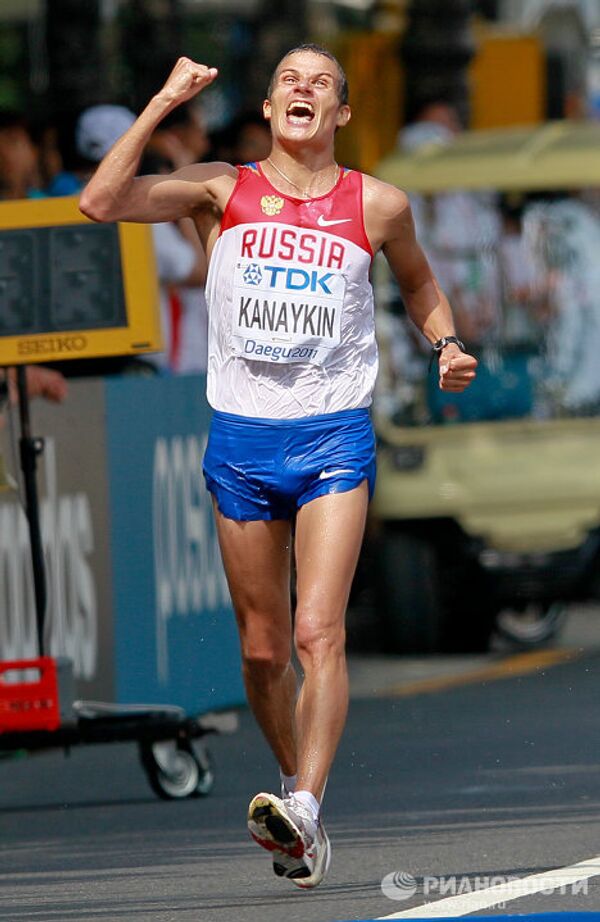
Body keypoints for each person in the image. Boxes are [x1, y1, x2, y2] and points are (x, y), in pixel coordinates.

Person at [80, 44, 477, 888]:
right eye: (289, 80)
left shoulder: (378, 203)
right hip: (243, 441)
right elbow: (98, 200)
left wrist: (445, 344)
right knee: (263, 653)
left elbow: (418, 287)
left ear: (338, 114)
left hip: (333, 433)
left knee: (315, 631)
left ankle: (305, 802)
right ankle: (303, 808)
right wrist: (160, 104)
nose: (303, 88)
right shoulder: (222, 189)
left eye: (321, 82)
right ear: (268, 109)